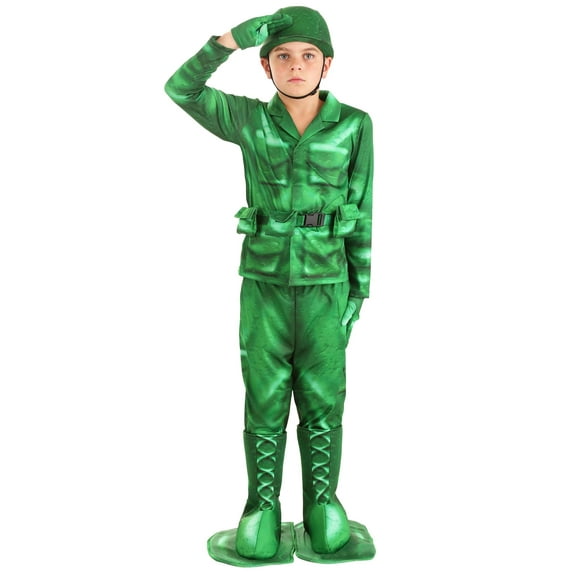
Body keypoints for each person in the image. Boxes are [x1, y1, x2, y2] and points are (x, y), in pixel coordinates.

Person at [165, 6, 374, 565]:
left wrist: (360, 290)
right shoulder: (248, 119)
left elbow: (361, 209)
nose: (296, 65)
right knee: (265, 398)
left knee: (324, 400)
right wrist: (227, 41)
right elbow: (181, 89)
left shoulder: (355, 125)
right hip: (264, 286)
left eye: (308, 55)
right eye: (283, 55)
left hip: (328, 286)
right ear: (266, 66)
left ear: (327, 64)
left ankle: (323, 516)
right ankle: (261, 516)